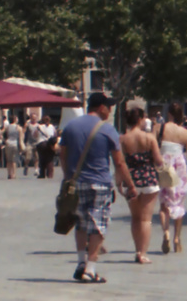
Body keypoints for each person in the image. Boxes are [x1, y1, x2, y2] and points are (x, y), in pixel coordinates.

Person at [59, 91, 136, 285]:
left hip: (76, 183)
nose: (110, 110)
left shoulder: (71, 127)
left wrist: (68, 176)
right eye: (108, 106)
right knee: (98, 225)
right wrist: (130, 186)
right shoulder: (107, 129)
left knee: (80, 222)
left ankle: (80, 263)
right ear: (100, 107)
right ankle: (90, 270)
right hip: (99, 183)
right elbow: (119, 162)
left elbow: (62, 154)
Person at [118, 98, 164, 264]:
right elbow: (158, 161)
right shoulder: (149, 138)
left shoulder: (123, 139)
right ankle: (143, 253)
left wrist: (118, 183)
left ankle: (137, 249)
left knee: (135, 218)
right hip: (149, 178)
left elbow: (119, 163)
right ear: (140, 119)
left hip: (131, 180)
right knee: (146, 219)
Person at [157, 103, 187, 254]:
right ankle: (177, 238)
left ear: (169, 114)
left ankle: (166, 233)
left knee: (164, 203)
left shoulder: (160, 128)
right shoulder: (186, 133)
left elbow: (152, 147)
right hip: (180, 166)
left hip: (164, 165)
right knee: (179, 202)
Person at [3, 113, 24, 180]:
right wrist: (21, 147)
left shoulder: (7, 127)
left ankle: (9, 174)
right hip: (15, 144)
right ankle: (14, 174)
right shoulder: (19, 128)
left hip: (8, 143)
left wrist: (4, 140)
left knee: (8, 160)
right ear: (15, 120)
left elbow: (0, 133)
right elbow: (21, 139)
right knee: (14, 160)